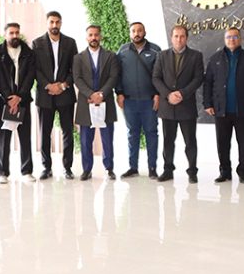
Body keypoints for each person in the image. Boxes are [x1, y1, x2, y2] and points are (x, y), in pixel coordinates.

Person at [203, 26, 244, 183]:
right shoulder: (215, 59)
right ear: (224, 39)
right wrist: (207, 103)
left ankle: (243, 173)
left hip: (243, 109)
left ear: (240, 39)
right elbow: (208, 83)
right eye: (229, 37)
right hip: (221, 109)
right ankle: (225, 172)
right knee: (222, 144)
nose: (232, 40)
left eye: (235, 37)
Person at [153, 25, 205, 182]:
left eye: (182, 36)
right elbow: (156, 78)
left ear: (186, 38)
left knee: (190, 142)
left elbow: (198, 78)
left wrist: (182, 93)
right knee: (168, 141)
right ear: (171, 37)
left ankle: (192, 172)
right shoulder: (161, 55)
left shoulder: (196, 56)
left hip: (186, 106)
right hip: (167, 106)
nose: (179, 39)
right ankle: (168, 170)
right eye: (176, 36)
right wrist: (168, 94)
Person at [32, 11, 78, 180]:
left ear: (61, 23)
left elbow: (75, 69)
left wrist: (63, 85)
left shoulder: (70, 43)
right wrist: (48, 85)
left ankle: (68, 168)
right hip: (45, 95)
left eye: (57, 22)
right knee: (45, 133)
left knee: (68, 132)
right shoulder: (37, 43)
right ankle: (46, 167)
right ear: (47, 23)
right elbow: (35, 69)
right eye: (51, 22)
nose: (54, 25)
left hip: (65, 94)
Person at [72, 25, 120, 180]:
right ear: (86, 37)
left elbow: (113, 77)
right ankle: (87, 169)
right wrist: (91, 94)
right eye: (91, 35)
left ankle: (109, 168)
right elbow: (77, 79)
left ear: (101, 36)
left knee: (107, 138)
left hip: (106, 101)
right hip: (86, 102)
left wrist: (101, 94)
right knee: (86, 140)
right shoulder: (78, 58)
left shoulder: (111, 56)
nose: (94, 38)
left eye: (96, 35)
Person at [115, 21, 161, 179]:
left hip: (149, 101)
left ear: (145, 32)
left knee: (151, 133)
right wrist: (119, 93)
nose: (137, 33)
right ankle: (133, 167)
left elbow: (160, 74)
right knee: (132, 134)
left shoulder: (155, 50)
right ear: (130, 34)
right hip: (129, 101)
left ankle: (152, 168)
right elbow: (117, 74)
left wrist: (158, 94)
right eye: (133, 31)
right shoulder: (123, 50)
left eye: (139, 30)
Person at [0, 22, 37, 182]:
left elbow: (30, 77)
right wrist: (9, 97)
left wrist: (20, 96)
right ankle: (2, 172)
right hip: (5, 101)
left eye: (17, 32)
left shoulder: (28, 53)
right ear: (5, 34)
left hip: (23, 101)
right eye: (11, 33)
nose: (14, 36)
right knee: (3, 138)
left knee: (25, 137)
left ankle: (26, 171)